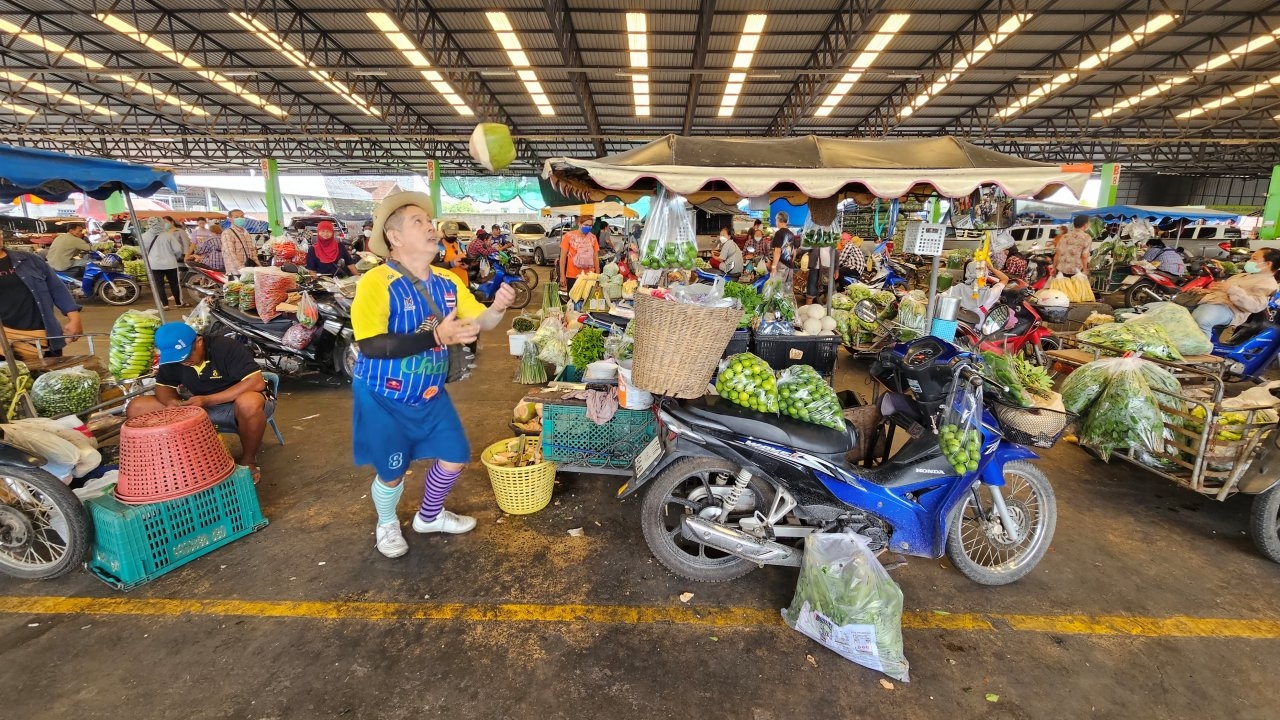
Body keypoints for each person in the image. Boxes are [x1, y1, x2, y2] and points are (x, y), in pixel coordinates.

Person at [350, 191, 516, 558]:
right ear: (394, 237)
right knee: (392, 470)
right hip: (383, 395)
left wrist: (499, 308)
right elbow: (372, 346)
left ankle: (429, 515)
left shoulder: (447, 280)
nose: (431, 228)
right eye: (419, 222)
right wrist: (437, 336)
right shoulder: (376, 283)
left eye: (430, 221)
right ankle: (387, 523)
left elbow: (481, 320)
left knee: (455, 455)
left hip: (429, 392)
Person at [128, 322, 273, 483]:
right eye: (179, 359)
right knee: (138, 407)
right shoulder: (173, 359)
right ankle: (164, 466)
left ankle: (248, 461)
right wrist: (171, 403)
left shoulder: (226, 347)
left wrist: (207, 400)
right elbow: (163, 386)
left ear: (199, 342)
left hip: (237, 403)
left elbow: (256, 382)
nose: (184, 362)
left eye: (187, 356)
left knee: (248, 403)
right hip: (199, 405)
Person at [0, 230, 82, 361]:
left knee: (50, 379)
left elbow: (56, 287)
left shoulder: (28, 260)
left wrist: (74, 318)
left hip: (45, 336)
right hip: (6, 340)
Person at [1191, 249, 1280, 338]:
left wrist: (1232, 290)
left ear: (1268, 264)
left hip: (1232, 310)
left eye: (1254, 259)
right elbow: (1221, 291)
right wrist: (1204, 291)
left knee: (1202, 319)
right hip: (1212, 302)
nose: (1249, 261)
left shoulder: (1268, 284)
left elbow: (1255, 306)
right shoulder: (1241, 276)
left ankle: (1199, 349)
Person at [141, 217, 186, 308]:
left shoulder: (144, 236)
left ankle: (164, 305)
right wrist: (175, 256)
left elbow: (142, 251)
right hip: (170, 264)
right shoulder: (168, 235)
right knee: (174, 284)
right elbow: (177, 249)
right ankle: (178, 303)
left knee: (159, 285)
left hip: (154, 265)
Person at [559, 213, 599, 285]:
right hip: (573, 276)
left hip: (589, 276)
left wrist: (598, 274)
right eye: (586, 225)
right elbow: (563, 258)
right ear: (579, 224)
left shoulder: (593, 238)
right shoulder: (569, 236)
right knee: (573, 296)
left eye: (590, 226)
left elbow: (595, 257)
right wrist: (562, 275)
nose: (589, 227)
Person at [221, 209, 259, 276]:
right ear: (230, 219)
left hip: (249, 269)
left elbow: (252, 251)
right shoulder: (227, 233)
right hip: (235, 272)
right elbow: (230, 253)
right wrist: (241, 268)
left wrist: (258, 266)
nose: (240, 218)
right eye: (236, 217)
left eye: (242, 216)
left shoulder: (246, 233)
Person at [769, 211, 798, 284]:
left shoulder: (778, 233)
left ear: (778, 220)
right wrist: (790, 262)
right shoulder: (791, 234)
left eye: (776, 220)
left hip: (781, 265)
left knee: (778, 289)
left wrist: (774, 267)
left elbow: (777, 251)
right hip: (790, 266)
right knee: (788, 290)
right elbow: (794, 252)